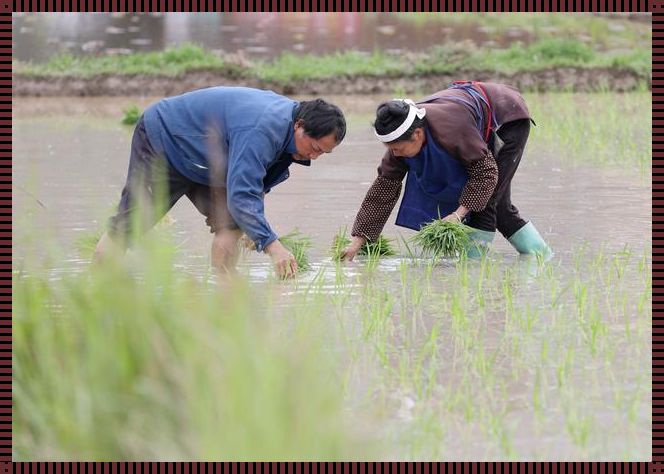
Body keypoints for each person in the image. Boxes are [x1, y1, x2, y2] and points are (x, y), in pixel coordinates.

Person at [94, 86, 346, 278]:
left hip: (209, 157)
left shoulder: (292, 141)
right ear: (299, 126)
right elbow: (241, 196)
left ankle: (225, 291)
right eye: (314, 147)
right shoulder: (263, 129)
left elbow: (255, 185)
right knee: (130, 224)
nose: (314, 156)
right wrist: (272, 245)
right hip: (165, 140)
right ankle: (95, 288)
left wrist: (254, 228)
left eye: (323, 153)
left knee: (232, 224)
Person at [340, 81, 550, 261]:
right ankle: (541, 257)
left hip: (507, 118)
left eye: (399, 149)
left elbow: (485, 173)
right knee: (496, 205)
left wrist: (457, 215)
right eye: (391, 149)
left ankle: (473, 271)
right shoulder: (402, 140)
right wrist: (357, 242)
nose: (397, 154)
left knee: (487, 204)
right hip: (473, 119)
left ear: (418, 134)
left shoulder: (451, 129)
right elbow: (384, 189)